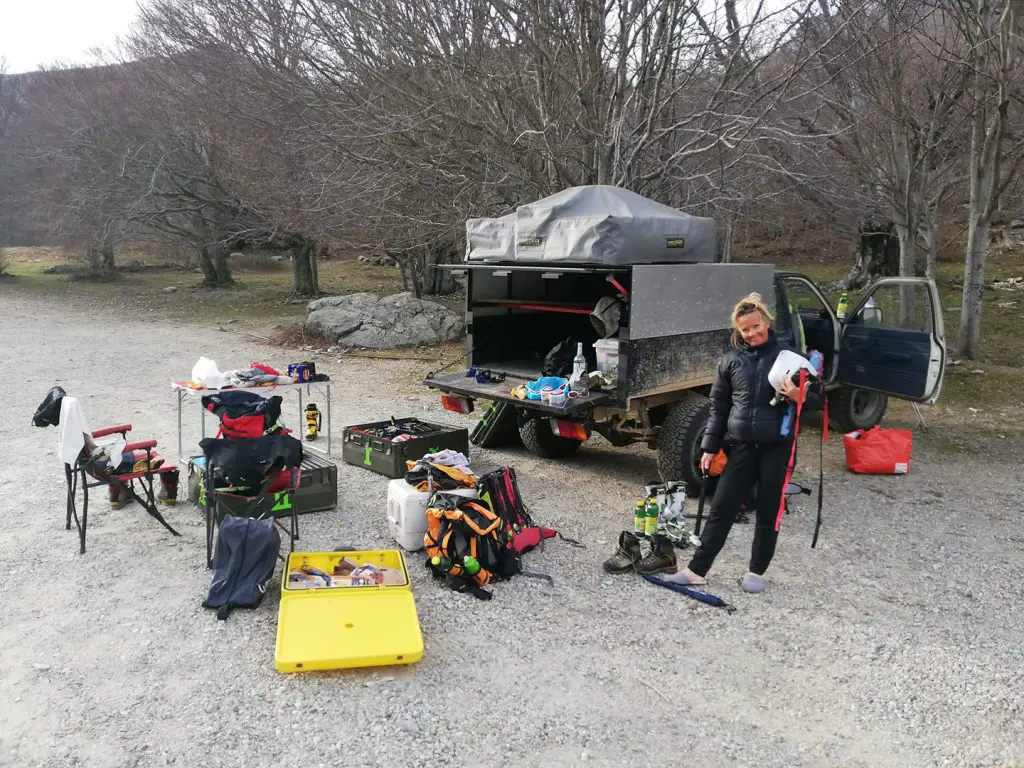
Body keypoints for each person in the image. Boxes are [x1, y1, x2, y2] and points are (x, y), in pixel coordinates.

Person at [667, 291, 821, 593]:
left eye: (756, 326)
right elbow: (719, 407)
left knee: (767, 509)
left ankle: (756, 572)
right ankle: (697, 570)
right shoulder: (730, 361)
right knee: (722, 507)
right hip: (740, 447)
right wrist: (709, 447)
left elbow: (816, 400)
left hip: (776, 447)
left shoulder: (789, 358)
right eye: (745, 329)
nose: (751, 333)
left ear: (766, 321)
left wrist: (797, 395)